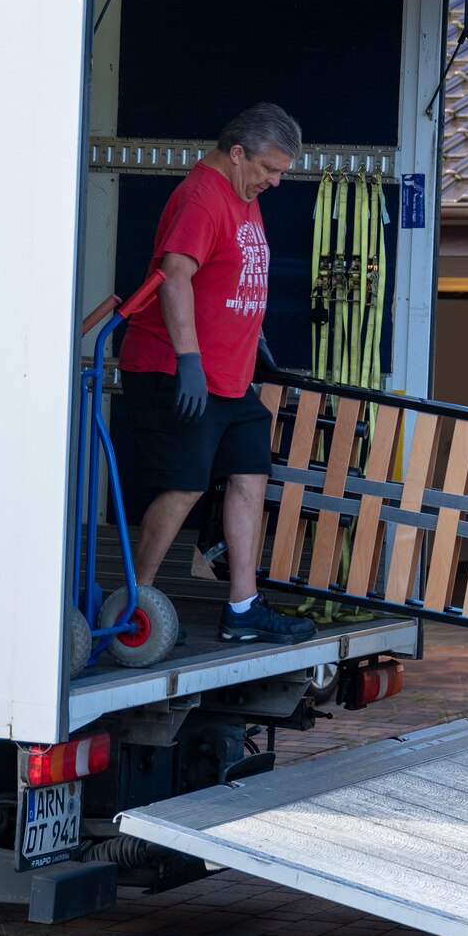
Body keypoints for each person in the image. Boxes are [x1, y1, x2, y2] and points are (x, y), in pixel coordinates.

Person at [117, 104, 315, 644]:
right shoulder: (204, 197)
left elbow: (231, 279)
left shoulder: (244, 193)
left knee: (251, 474)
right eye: (270, 169)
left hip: (232, 377)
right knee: (184, 486)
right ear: (236, 153)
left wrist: (257, 342)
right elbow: (176, 277)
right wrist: (188, 360)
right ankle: (135, 605)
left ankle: (243, 608)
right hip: (175, 368)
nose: (275, 182)